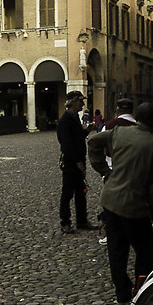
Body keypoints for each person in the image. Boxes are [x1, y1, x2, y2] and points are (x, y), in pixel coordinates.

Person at [91, 102, 153, 305]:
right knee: (144, 249)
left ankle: (122, 292)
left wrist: (102, 168)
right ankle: (144, 288)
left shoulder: (119, 132)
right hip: (135, 204)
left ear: (137, 117)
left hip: (110, 199)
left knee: (117, 249)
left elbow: (92, 141)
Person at [57, 93, 94, 231]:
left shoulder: (74, 118)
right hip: (71, 163)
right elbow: (66, 145)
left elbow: (77, 139)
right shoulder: (65, 120)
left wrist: (87, 131)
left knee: (81, 192)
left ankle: (82, 221)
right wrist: (78, 162)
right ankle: (65, 222)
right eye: (80, 101)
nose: (83, 104)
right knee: (67, 193)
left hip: (78, 161)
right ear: (72, 102)